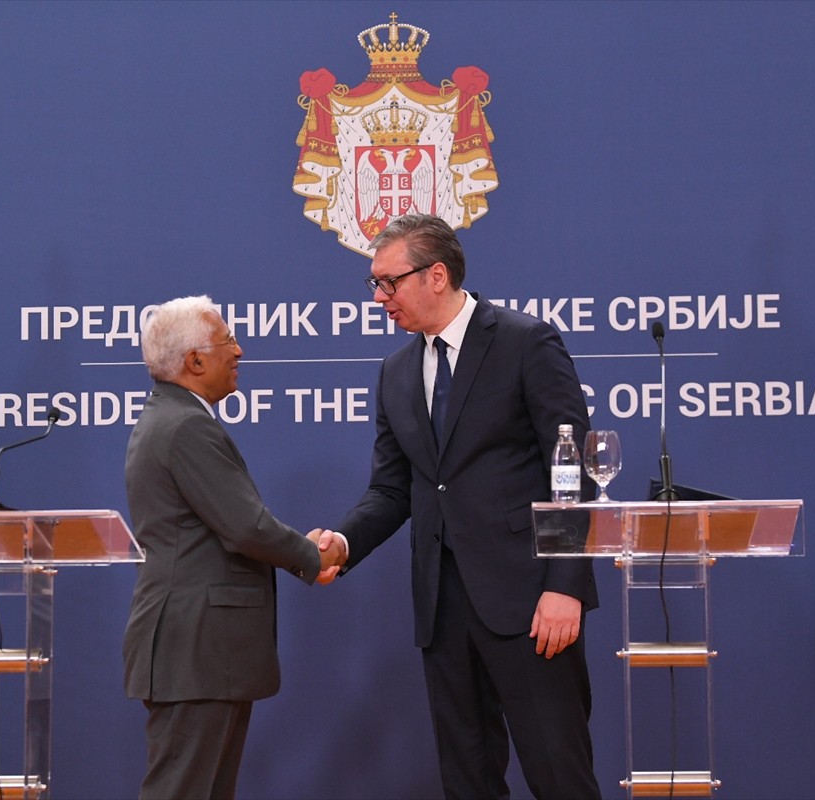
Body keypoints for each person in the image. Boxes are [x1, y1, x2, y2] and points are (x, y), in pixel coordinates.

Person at [317, 214, 601, 799]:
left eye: (388, 282)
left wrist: (565, 584)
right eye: (373, 284)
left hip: (531, 603)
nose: (378, 298)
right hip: (442, 609)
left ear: (437, 275)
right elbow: (392, 490)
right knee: (467, 781)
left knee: (559, 774)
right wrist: (344, 543)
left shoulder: (526, 341)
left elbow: (571, 471)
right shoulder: (395, 372)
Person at [121, 295, 341, 800]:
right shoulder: (185, 425)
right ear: (194, 361)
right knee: (183, 791)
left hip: (199, 648)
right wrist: (312, 556)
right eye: (227, 343)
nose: (239, 351)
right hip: (196, 648)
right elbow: (245, 528)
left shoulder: (173, 418)